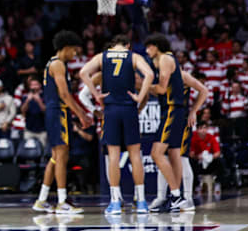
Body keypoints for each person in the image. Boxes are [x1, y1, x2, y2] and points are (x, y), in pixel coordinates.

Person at [79, 35, 154, 214]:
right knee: (135, 154)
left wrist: (95, 95)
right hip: (129, 109)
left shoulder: (102, 56)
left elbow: (83, 73)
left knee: (113, 155)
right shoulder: (134, 56)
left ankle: (114, 201)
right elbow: (150, 75)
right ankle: (142, 201)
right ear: (127, 45)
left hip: (110, 110)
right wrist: (139, 97)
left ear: (112, 46)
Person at [145, 33, 208, 213]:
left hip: (175, 112)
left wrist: (193, 111)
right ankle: (171, 197)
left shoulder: (173, 66)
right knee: (173, 155)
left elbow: (203, 91)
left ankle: (181, 197)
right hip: (173, 112)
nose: (147, 50)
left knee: (169, 155)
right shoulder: (167, 66)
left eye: (149, 46)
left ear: (157, 46)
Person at [32, 30, 91, 214]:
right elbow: (65, 95)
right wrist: (82, 114)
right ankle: (62, 201)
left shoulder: (52, 63)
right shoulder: (58, 65)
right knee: (62, 157)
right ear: (65, 48)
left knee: (55, 158)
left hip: (54, 113)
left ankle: (41, 200)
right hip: (58, 113)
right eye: (73, 50)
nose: (75, 54)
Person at [189, 121, 226, 188]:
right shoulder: (192, 138)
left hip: (209, 162)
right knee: (190, 162)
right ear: (197, 129)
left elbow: (218, 152)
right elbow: (191, 154)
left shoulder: (211, 137)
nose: (203, 130)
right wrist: (198, 156)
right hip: (197, 162)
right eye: (201, 128)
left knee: (220, 161)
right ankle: (195, 185)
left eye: (205, 128)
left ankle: (219, 183)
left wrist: (210, 157)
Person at [22, 78, 47, 147]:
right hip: (29, 129)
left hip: (42, 130)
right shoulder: (25, 97)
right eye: (32, 85)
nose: (34, 87)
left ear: (40, 85)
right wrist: (28, 100)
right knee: (28, 149)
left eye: (36, 85)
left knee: (42, 150)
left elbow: (46, 111)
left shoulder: (45, 96)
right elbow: (23, 111)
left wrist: (39, 100)